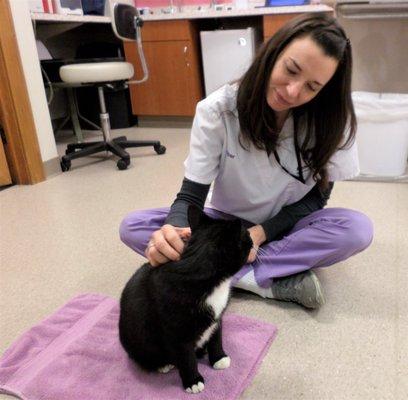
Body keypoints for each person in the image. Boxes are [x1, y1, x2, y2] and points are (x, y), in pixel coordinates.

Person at [119, 13, 374, 309]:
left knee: (355, 229)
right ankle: (267, 281)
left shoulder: (333, 122)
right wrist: (173, 231)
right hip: (223, 225)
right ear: (273, 52)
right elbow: (190, 195)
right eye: (291, 70)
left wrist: (260, 233)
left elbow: (317, 200)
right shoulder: (218, 110)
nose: (293, 92)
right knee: (135, 226)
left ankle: (224, 274)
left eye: (312, 87)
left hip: (284, 225)